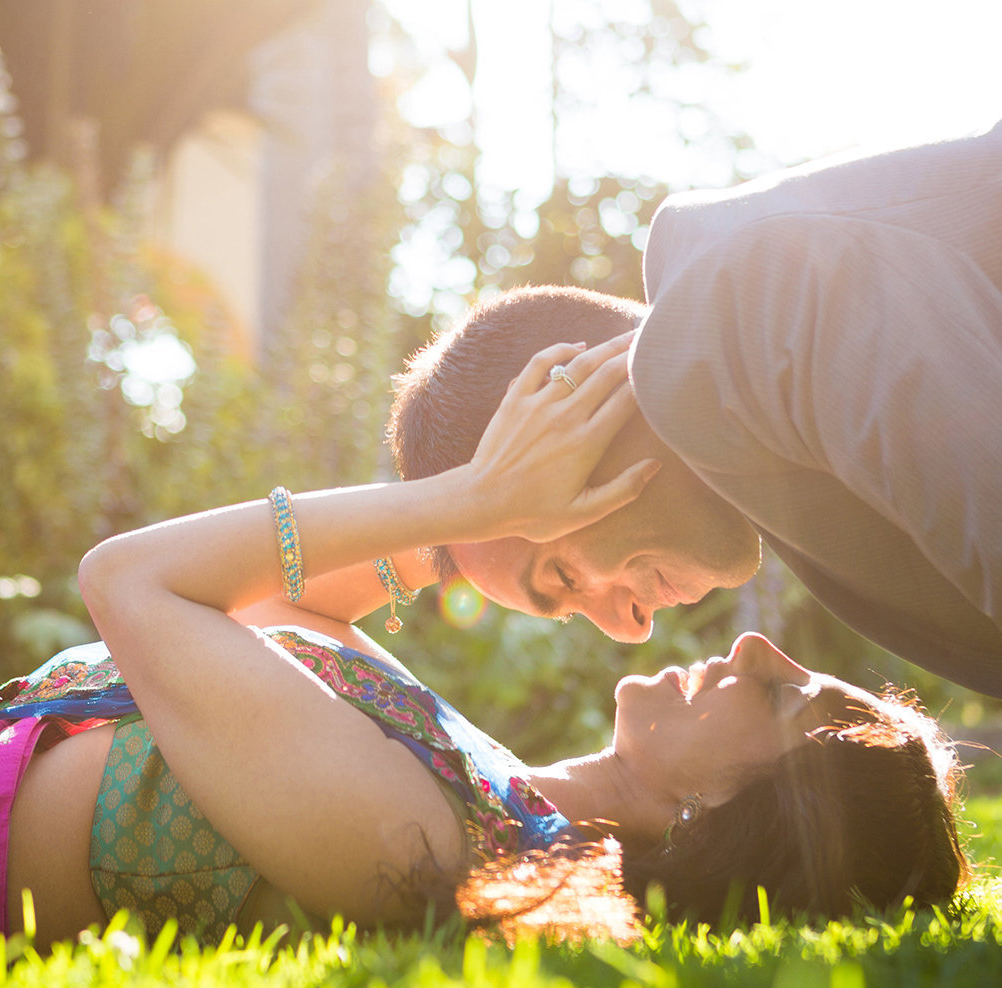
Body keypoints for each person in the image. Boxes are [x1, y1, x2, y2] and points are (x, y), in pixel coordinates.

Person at [0, 346, 966, 975]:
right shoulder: (481, 786)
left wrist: (467, 505)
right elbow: (298, 618)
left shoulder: (421, 841)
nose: (758, 646)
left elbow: (134, 581)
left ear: (739, 825)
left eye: (787, 698)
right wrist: (487, 533)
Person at [389, 119, 1002, 696]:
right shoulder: (750, 391)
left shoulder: (748, 308)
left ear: (568, 416)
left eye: (564, 579)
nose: (629, 629)